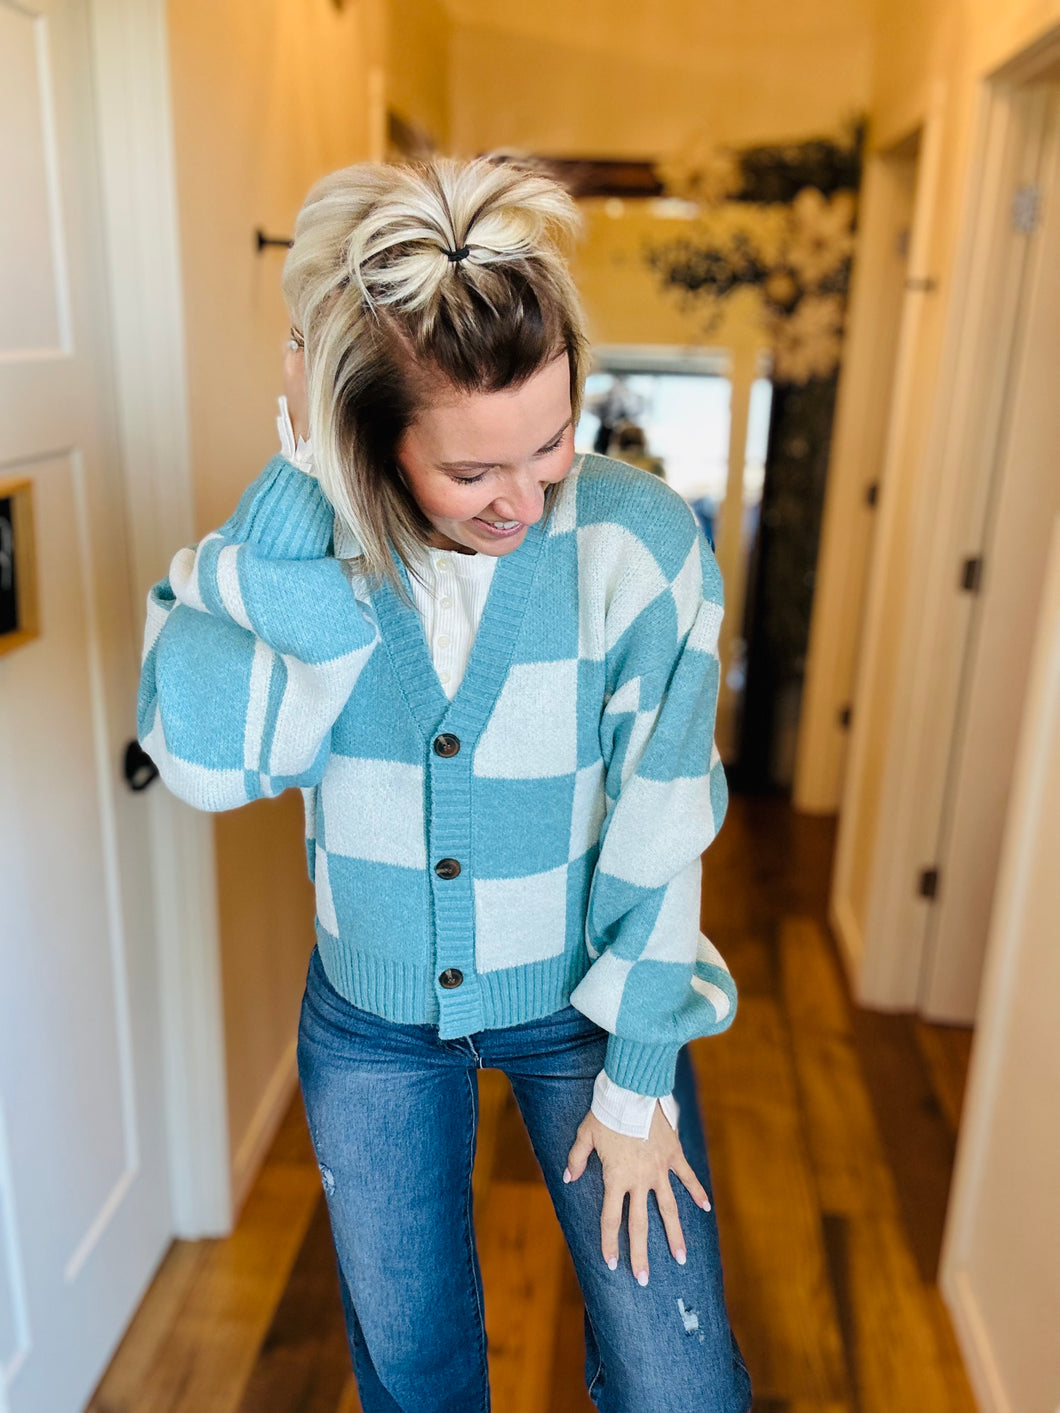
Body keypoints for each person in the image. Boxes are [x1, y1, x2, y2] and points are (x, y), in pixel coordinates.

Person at [138, 155, 752, 1413]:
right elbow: (204, 760)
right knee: (413, 1379)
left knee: (679, 1383)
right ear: (366, 437)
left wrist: (639, 1078)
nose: (525, 497)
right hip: (373, 1025)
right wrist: (305, 480)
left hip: (592, 1005)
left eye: (551, 442)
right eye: (473, 475)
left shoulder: (637, 548)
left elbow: (664, 816)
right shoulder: (315, 553)